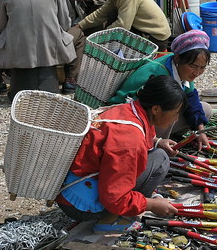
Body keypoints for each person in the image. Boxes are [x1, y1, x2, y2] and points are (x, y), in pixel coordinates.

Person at [56, 75, 183, 230]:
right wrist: (151, 205)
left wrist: (157, 141)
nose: (176, 119)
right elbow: (114, 198)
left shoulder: (130, 109)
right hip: (80, 207)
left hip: (71, 190)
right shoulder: (129, 140)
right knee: (160, 159)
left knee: (157, 154)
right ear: (156, 109)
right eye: (175, 113)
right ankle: (109, 219)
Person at [0, 0, 84, 100]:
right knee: (78, 34)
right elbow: (65, 24)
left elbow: (1, 24)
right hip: (50, 49)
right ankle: (70, 80)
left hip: (18, 50)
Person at [109, 30, 213, 150]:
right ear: (178, 58)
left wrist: (201, 131)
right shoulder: (160, 74)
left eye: (202, 67)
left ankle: (165, 138)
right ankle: (155, 147)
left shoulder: (183, 70)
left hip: (155, 114)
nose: (197, 72)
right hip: (127, 119)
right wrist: (157, 141)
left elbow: (191, 98)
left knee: (205, 110)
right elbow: (142, 110)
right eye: (193, 66)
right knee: (170, 111)